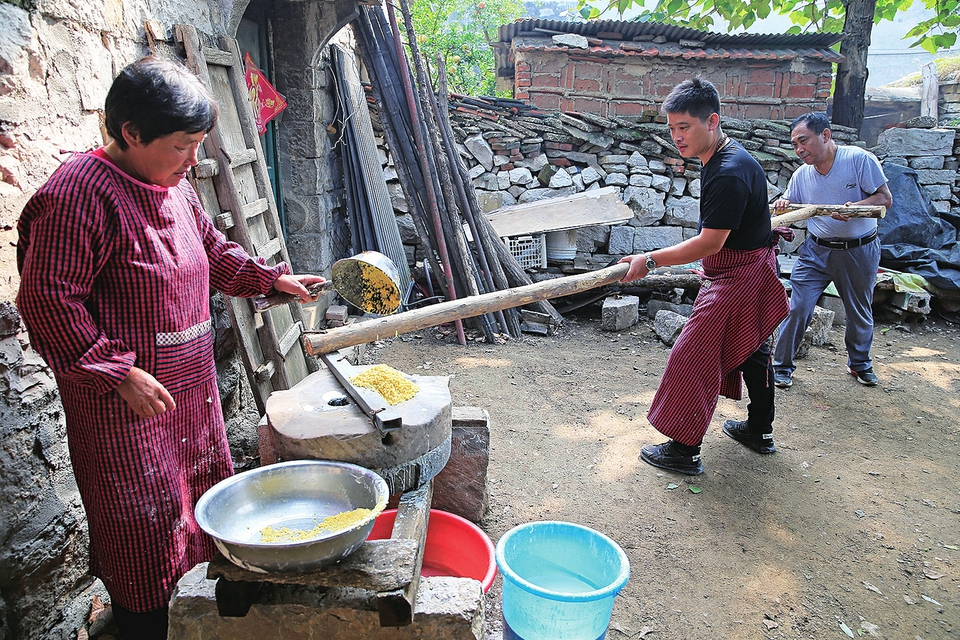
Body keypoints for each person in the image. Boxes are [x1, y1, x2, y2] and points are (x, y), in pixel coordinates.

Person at [16, 56, 325, 640]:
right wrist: (117, 373)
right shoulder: (77, 195)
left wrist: (269, 280)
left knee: (201, 510)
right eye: (183, 145)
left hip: (188, 393)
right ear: (131, 133)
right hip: (124, 408)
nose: (194, 160)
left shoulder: (174, 188)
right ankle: (141, 626)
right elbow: (49, 299)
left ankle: (195, 617)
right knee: (141, 529)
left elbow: (210, 249)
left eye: (199, 144)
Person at [619, 78, 789, 475]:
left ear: (712, 121)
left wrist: (650, 260)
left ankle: (684, 450)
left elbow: (710, 243)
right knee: (752, 350)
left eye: (685, 128)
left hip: (739, 276)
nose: (677, 137)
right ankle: (759, 431)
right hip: (750, 266)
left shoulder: (728, 172)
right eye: (672, 129)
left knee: (691, 355)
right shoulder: (732, 158)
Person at [771, 113, 892, 389]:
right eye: (795, 145)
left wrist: (855, 208)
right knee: (797, 307)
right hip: (816, 251)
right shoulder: (802, 174)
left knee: (858, 309)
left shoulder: (858, 160)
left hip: (858, 250)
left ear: (825, 135)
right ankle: (781, 367)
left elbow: (885, 199)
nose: (800, 150)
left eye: (804, 141)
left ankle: (859, 363)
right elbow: (793, 204)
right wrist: (784, 204)